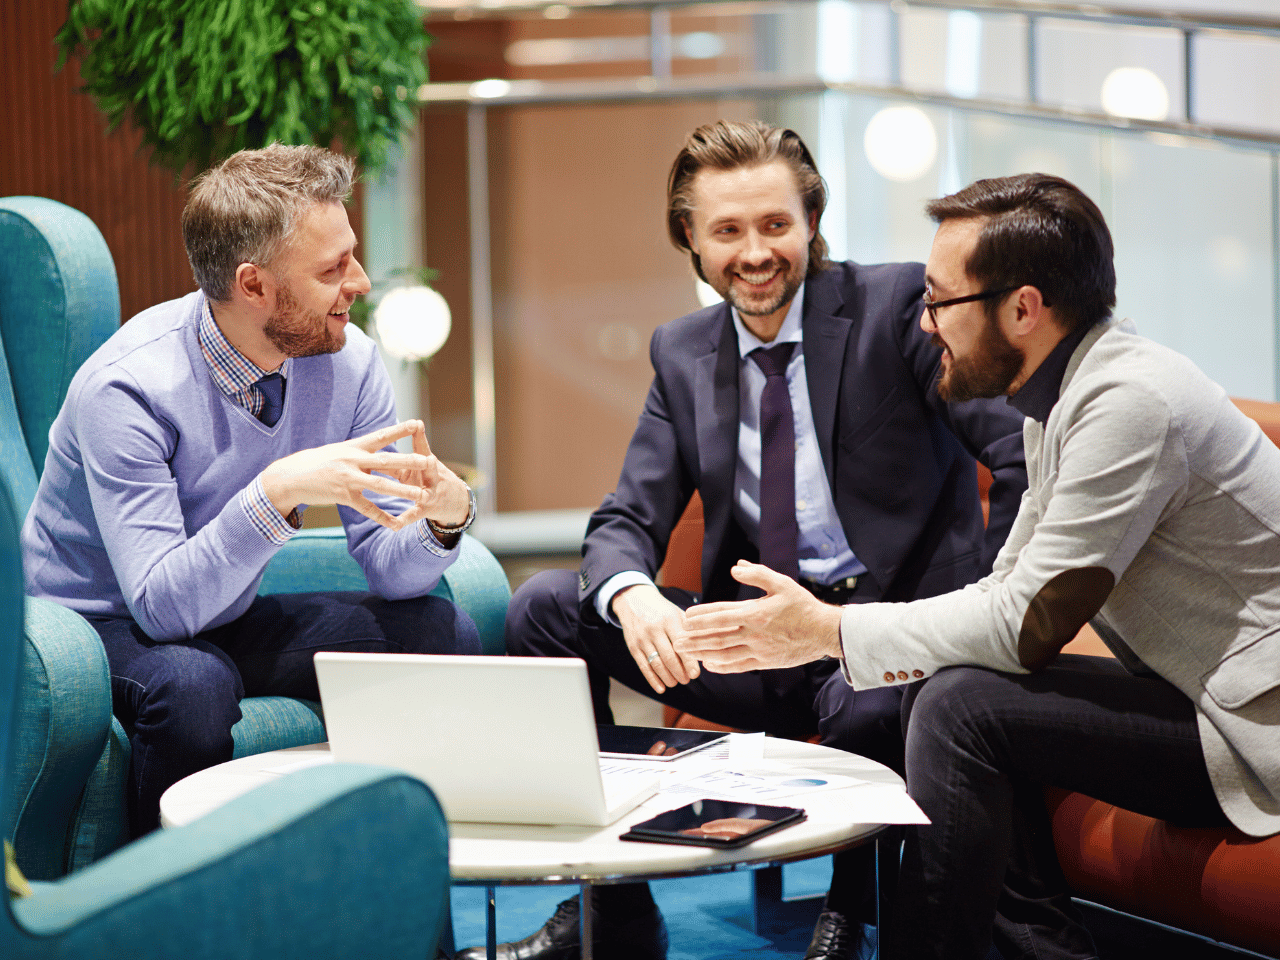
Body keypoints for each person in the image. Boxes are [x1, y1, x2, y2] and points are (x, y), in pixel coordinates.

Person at [678, 171, 1280, 959]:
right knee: (958, 689)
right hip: (1191, 696)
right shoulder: (1064, 393)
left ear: (1023, 308)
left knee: (966, 704)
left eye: (939, 301)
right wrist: (834, 634)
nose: (927, 326)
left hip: (1250, 724)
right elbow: (1009, 592)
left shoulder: (1130, 401)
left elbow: (1025, 623)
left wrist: (825, 630)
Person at [479, 120, 1028, 960]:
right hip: (753, 642)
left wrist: (972, 613)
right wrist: (635, 599)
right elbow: (627, 516)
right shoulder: (683, 350)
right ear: (691, 242)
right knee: (547, 608)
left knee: (873, 697)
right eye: (727, 230)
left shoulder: (893, 310)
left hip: (878, 640)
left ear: (811, 221)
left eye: (775, 224)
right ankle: (613, 911)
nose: (755, 252)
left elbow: (1021, 458)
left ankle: (851, 915)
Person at [20, 144, 482, 837]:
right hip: (96, 622)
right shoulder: (128, 388)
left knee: (439, 633)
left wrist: (443, 520)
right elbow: (162, 610)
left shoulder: (348, 362)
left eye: (350, 254)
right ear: (254, 285)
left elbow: (393, 570)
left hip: (222, 605)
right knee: (193, 688)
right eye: (332, 269)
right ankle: (177, 921)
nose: (358, 281)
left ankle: (409, 918)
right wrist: (275, 493)